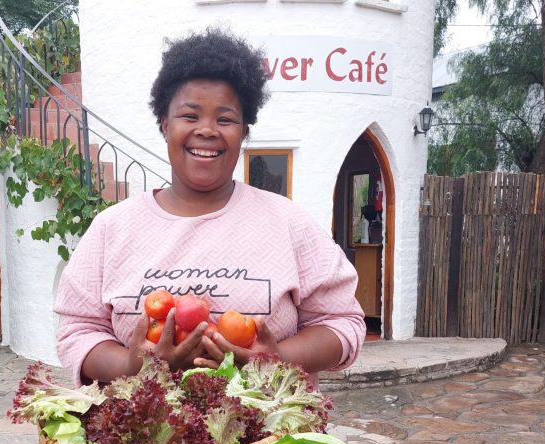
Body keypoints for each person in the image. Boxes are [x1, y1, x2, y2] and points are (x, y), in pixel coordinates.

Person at [54, 28, 365, 385]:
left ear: (244, 131)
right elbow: (77, 331)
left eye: (225, 119)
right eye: (190, 116)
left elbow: (342, 322)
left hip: (267, 423)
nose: (207, 130)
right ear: (165, 124)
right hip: (144, 423)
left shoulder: (288, 223)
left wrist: (277, 360)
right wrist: (131, 366)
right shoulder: (112, 228)